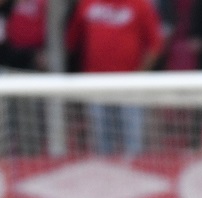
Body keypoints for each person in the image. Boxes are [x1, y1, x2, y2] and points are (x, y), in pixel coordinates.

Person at [65, 0, 165, 156]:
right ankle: (103, 168)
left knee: (132, 138)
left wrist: (139, 75)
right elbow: (71, 39)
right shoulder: (87, 3)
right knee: (100, 138)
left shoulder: (140, 5)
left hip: (129, 83)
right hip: (95, 81)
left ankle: (131, 167)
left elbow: (155, 44)